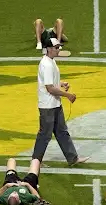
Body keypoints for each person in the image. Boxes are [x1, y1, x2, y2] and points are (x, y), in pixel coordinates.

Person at [33, 37, 84, 166]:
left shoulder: (51, 61)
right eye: (56, 47)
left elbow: (50, 82)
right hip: (48, 106)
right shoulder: (47, 64)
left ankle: (73, 158)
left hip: (54, 104)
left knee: (62, 132)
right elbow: (49, 88)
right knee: (45, 135)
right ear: (49, 49)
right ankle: (36, 161)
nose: (59, 49)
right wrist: (68, 95)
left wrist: (61, 83)